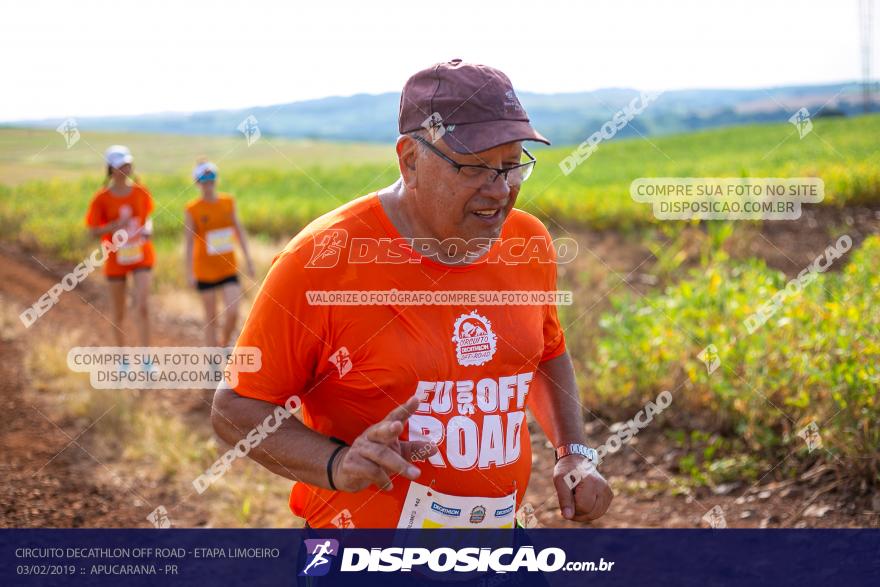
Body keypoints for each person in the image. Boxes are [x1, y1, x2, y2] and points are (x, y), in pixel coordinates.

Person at [212, 59, 613, 528]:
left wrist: (573, 452)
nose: (501, 190)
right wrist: (337, 465)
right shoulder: (322, 261)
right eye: (475, 168)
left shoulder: (528, 242)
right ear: (410, 159)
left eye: (512, 165)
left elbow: (547, 352)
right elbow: (235, 407)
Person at [85, 145, 155, 372]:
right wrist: (116, 225)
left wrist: (148, 229)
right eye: (120, 166)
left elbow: (148, 218)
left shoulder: (140, 192)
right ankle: (123, 360)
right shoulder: (101, 199)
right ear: (111, 170)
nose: (125, 168)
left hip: (141, 255)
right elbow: (93, 230)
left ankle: (146, 361)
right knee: (119, 311)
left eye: (127, 164)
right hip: (115, 259)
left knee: (142, 305)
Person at [184, 160, 255, 348]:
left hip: (228, 268)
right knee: (211, 318)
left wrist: (248, 259)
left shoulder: (227, 202)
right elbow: (189, 244)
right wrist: (189, 273)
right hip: (205, 270)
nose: (208, 183)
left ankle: (223, 344)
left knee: (233, 312)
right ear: (198, 182)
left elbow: (238, 230)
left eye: (211, 178)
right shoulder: (192, 209)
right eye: (204, 179)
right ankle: (212, 362)